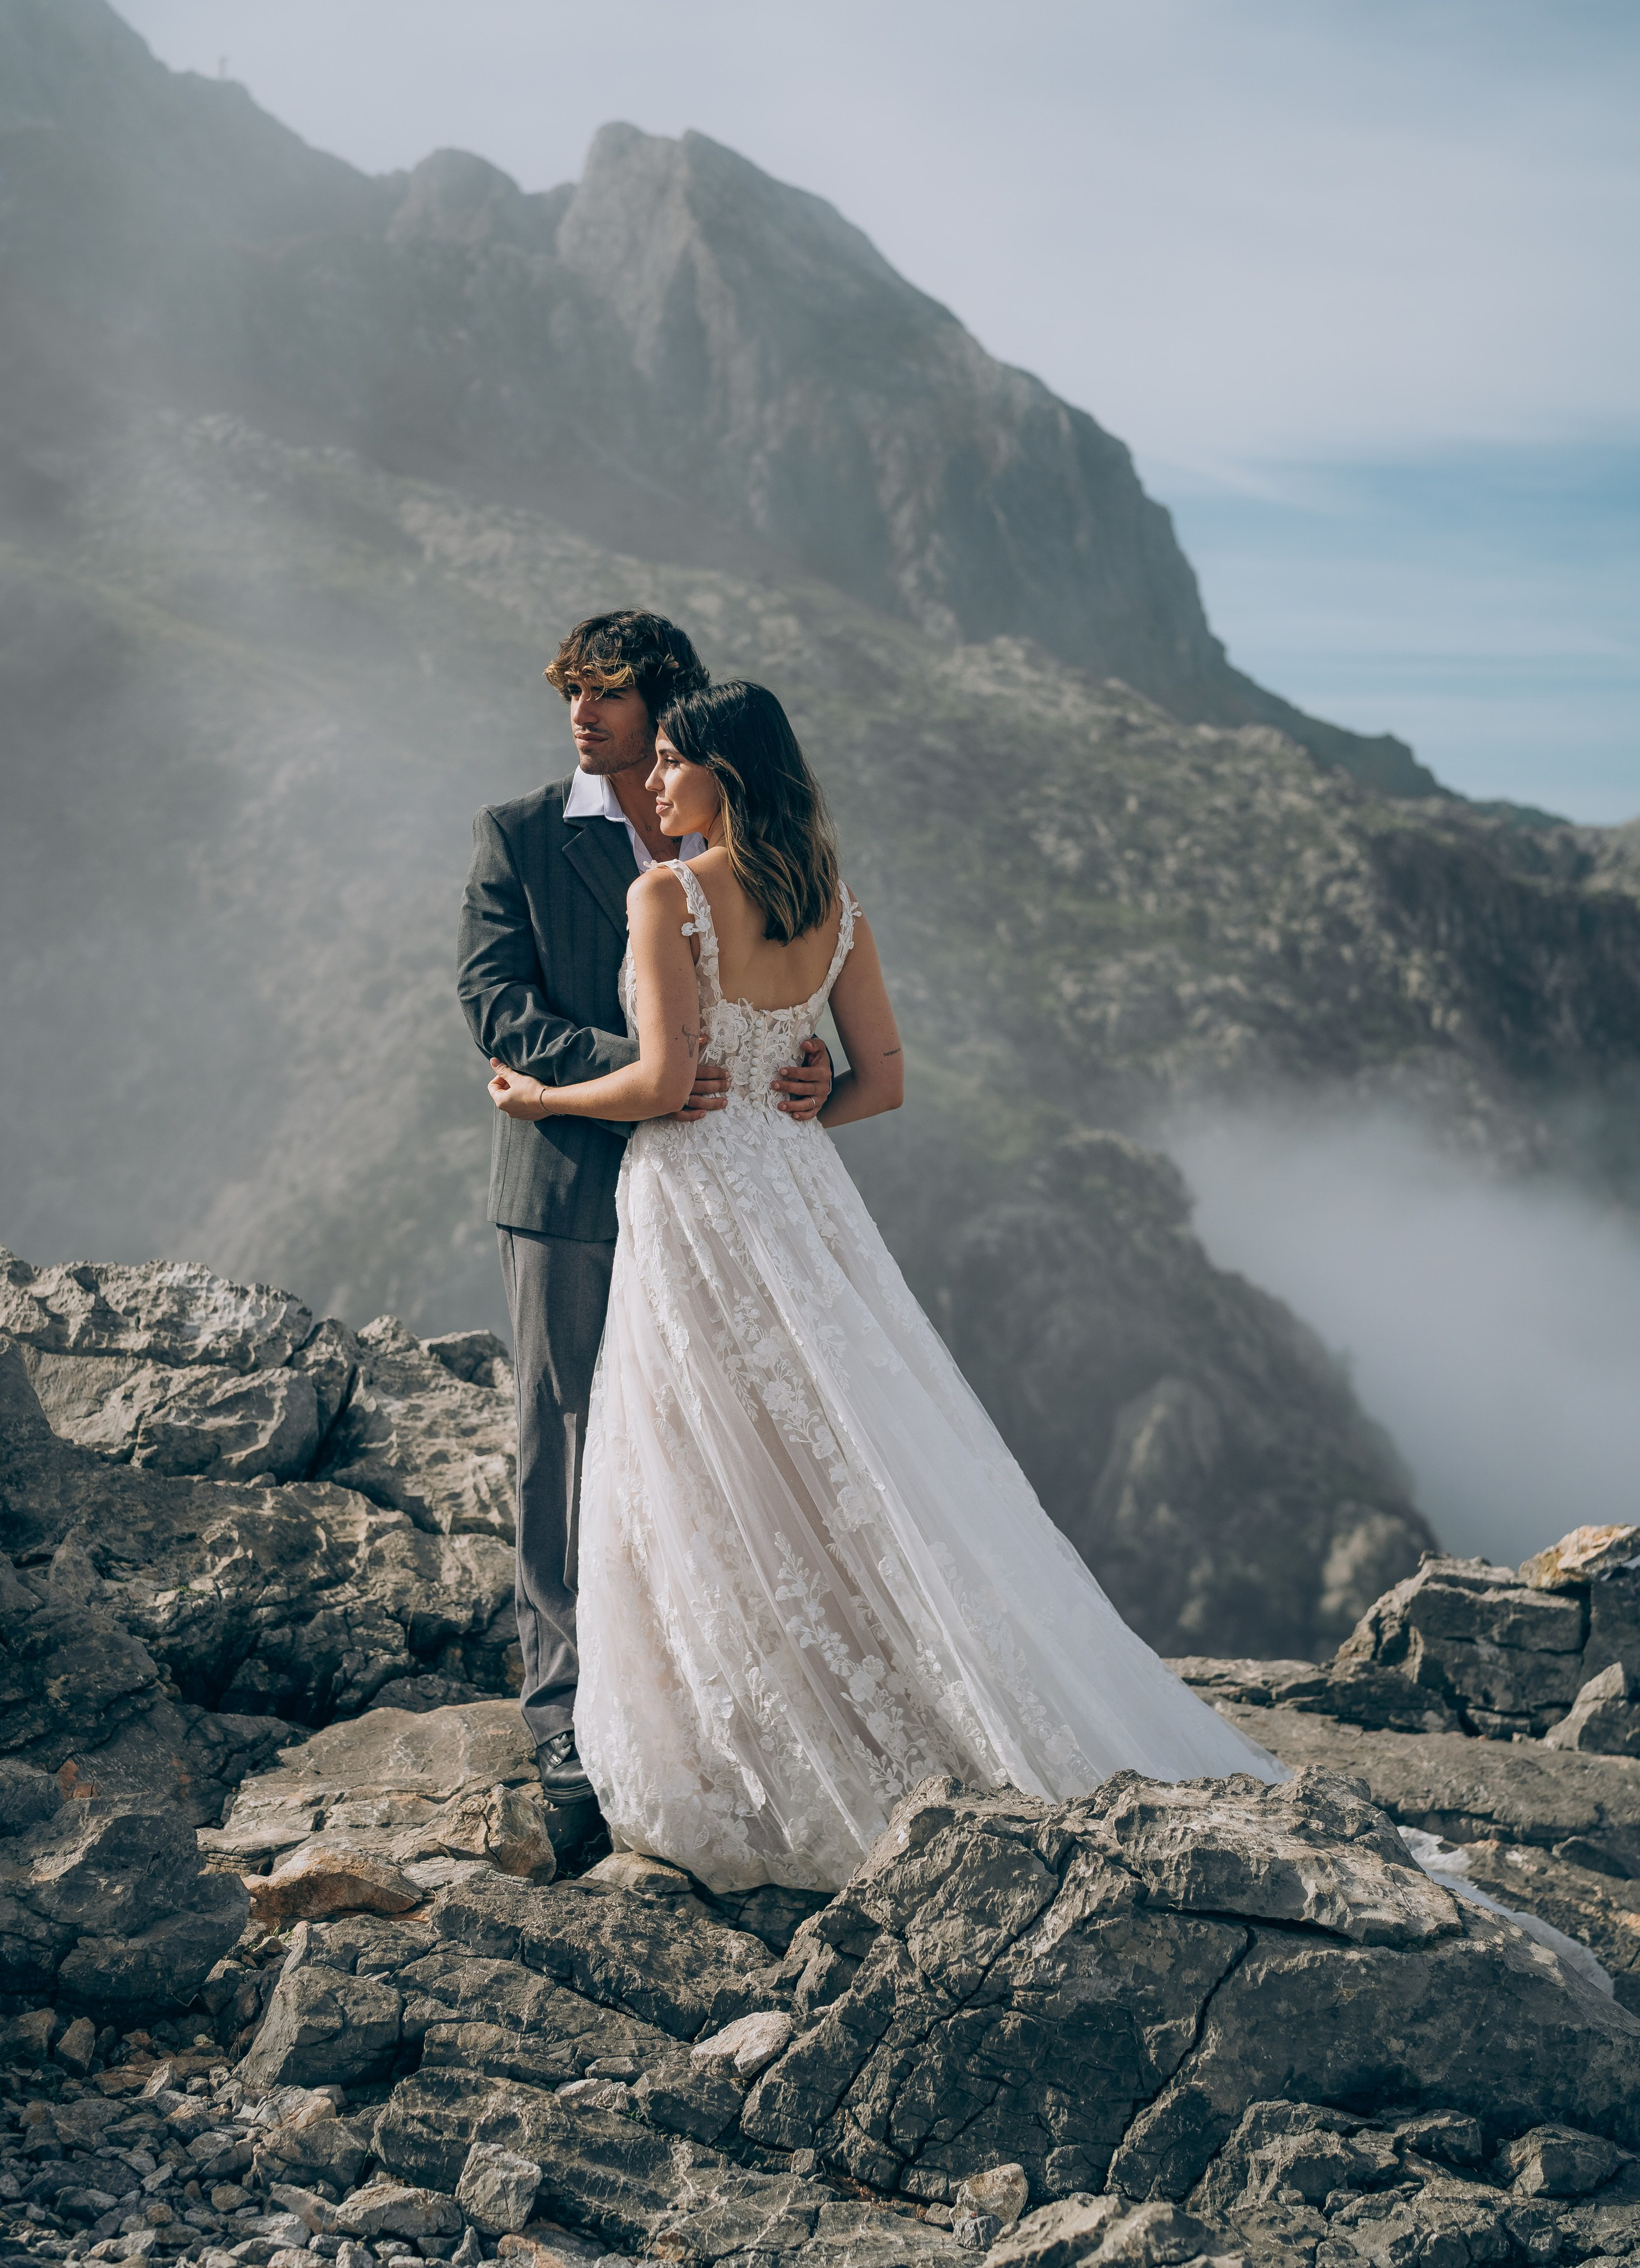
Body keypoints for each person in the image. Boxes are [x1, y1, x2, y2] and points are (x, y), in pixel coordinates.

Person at [485, 677, 1280, 1893]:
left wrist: (536, 1096)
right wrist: (803, 1099)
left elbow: (657, 1085)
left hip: (696, 1199)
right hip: (798, 1197)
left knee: (703, 1454)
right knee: (833, 1449)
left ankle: (741, 1732)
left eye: (673, 765)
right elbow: (886, 1079)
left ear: (725, 776)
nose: (652, 783)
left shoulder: (669, 894)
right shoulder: (831, 907)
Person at [456, 613, 832, 1847]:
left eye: (608, 693)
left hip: (712, 1194)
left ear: (668, 704)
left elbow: (785, 980)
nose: (582, 714)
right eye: (572, 691)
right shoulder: (518, 833)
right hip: (569, 1182)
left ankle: (694, 1700)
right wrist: (649, 1065)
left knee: (705, 1439)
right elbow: (492, 1002)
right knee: (564, 1440)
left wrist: (807, 1061)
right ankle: (564, 1719)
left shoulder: (720, 839)